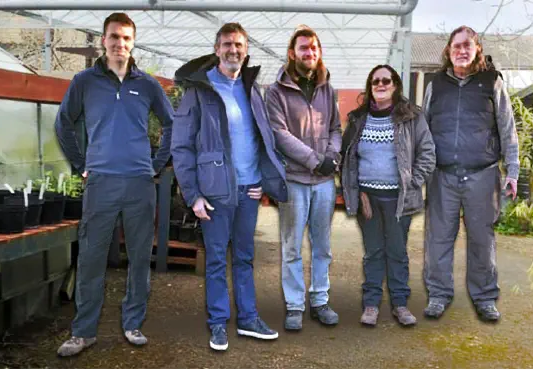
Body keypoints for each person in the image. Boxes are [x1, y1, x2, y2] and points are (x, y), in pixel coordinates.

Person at [55, 13, 174, 356]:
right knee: (91, 257)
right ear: (103, 41)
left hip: (139, 183)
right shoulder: (85, 81)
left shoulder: (147, 84)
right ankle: (83, 332)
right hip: (101, 182)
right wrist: (81, 164)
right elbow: (65, 123)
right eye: (113, 37)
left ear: (133, 42)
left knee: (138, 257)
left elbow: (171, 123)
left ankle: (133, 323)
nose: (119, 43)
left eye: (125, 38)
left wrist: (156, 163)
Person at [170, 22, 288, 351]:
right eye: (226, 44)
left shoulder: (253, 90)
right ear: (217, 49)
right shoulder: (200, 91)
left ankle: (249, 318)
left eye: (238, 44)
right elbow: (181, 147)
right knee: (218, 259)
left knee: (245, 257)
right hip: (215, 193)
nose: (232, 50)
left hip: (248, 189)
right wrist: (193, 194)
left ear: (246, 50)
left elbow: (265, 140)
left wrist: (263, 181)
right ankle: (218, 322)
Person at [422, 25, 519, 322]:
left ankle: (485, 297)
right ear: (448, 52)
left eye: (467, 45)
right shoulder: (435, 85)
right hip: (443, 176)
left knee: (482, 240)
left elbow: (507, 128)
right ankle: (439, 294)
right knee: (438, 238)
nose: (461, 51)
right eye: (456, 47)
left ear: (477, 48)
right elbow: (422, 129)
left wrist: (512, 170)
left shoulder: (492, 82)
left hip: (482, 174)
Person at [341, 64, 436, 327]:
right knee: (373, 252)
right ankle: (371, 304)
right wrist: (353, 190)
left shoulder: (412, 117)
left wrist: (413, 182)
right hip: (367, 198)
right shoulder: (357, 119)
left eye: (386, 81)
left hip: (399, 198)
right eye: (375, 82)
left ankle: (400, 304)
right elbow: (346, 156)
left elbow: (427, 153)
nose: (380, 85)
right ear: (370, 87)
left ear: (395, 85)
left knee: (396, 251)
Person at [265, 26, 342, 331]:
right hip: (295, 180)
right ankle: (295, 305)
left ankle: (320, 300)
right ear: (291, 53)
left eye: (313, 48)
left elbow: (336, 128)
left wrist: (332, 157)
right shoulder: (276, 92)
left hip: (323, 183)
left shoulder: (328, 90)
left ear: (318, 52)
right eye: (302, 48)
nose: (308, 53)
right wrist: (314, 160)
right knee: (292, 246)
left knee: (322, 245)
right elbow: (279, 134)